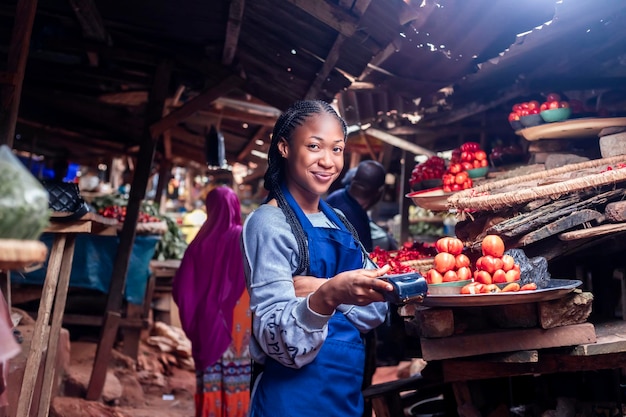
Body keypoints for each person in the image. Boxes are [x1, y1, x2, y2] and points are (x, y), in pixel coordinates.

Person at [241, 99, 393, 417]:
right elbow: (279, 342)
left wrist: (316, 288)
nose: (328, 161)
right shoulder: (269, 223)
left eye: (337, 149)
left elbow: (377, 308)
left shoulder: (338, 219)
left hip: (344, 394)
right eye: (314, 146)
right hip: (292, 401)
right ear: (284, 147)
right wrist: (331, 294)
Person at [172, 186, 251, 417]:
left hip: (207, 324)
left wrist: (197, 316)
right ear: (235, 206)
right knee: (240, 380)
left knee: (210, 381)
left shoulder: (198, 243)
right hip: (239, 323)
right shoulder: (243, 237)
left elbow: (181, 290)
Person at [326, 160, 389, 252]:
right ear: (378, 192)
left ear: (352, 178)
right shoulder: (357, 223)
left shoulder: (335, 196)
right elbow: (362, 260)